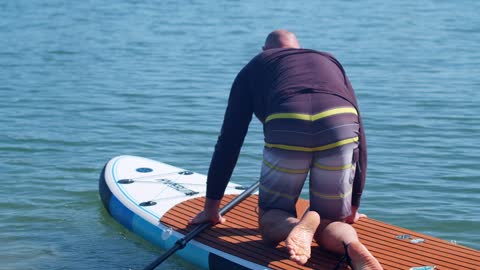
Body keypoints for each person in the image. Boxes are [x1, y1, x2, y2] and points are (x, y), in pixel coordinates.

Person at [189, 30, 382, 269]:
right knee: (332, 220)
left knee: (272, 215)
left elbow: (229, 140)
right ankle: (351, 246)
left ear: (264, 50)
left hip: (289, 119)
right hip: (340, 122)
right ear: (299, 49)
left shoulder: (256, 65)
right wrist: (353, 207)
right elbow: (360, 137)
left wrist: (211, 209)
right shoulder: (328, 60)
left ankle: (296, 226)